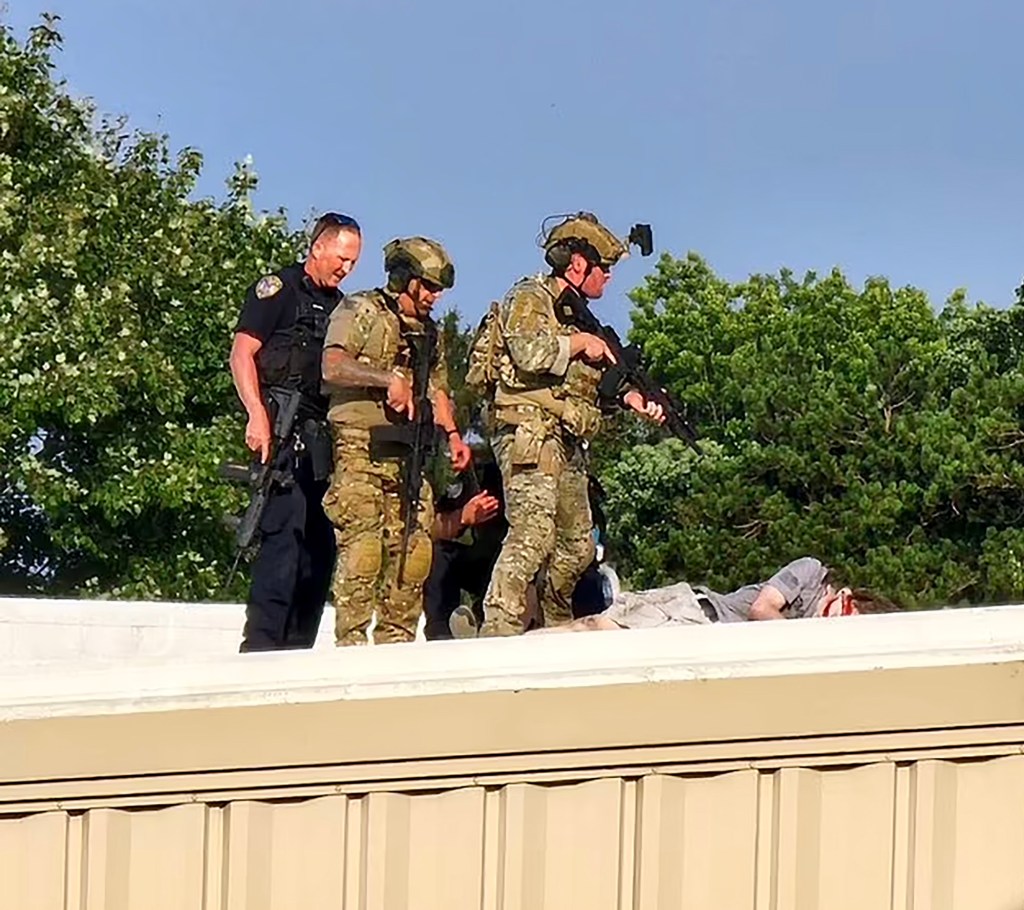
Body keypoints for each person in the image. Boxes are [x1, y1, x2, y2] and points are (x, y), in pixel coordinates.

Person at [477, 212, 666, 636]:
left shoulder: (579, 315)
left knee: (580, 546)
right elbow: (529, 353)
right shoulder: (532, 296)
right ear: (578, 265)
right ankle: (497, 630)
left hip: (566, 437)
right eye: (606, 269)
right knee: (532, 532)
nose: (609, 279)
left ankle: (554, 623)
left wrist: (634, 398)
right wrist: (582, 343)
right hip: (528, 430)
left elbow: (591, 385)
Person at [321, 236, 471, 646]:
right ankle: (350, 647)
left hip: (410, 453)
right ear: (405, 279)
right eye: (430, 287)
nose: (435, 297)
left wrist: (454, 437)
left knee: (413, 554)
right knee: (363, 552)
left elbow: (439, 391)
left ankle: (397, 650)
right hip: (361, 447)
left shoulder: (430, 333)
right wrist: (387, 379)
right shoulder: (361, 309)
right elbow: (332, 366)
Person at [229, 213, 363, 651]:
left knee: (320, 553)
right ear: (319, 247)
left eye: (353, 262)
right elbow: (242, 353)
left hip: (325, 444)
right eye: (342, 258)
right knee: (283, 545)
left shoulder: (345, 310)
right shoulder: (279, 291)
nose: (346, 268)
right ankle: (261, 648)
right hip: (282, 435)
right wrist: (255, 414)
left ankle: (297, 651)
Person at [544, 557, 902, 632]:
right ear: (845, 594)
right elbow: (763, 608)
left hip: (700, 636)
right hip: (694, 613)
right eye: (845, 612)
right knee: (592, 631)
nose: (835, 621)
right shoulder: (810, 572)